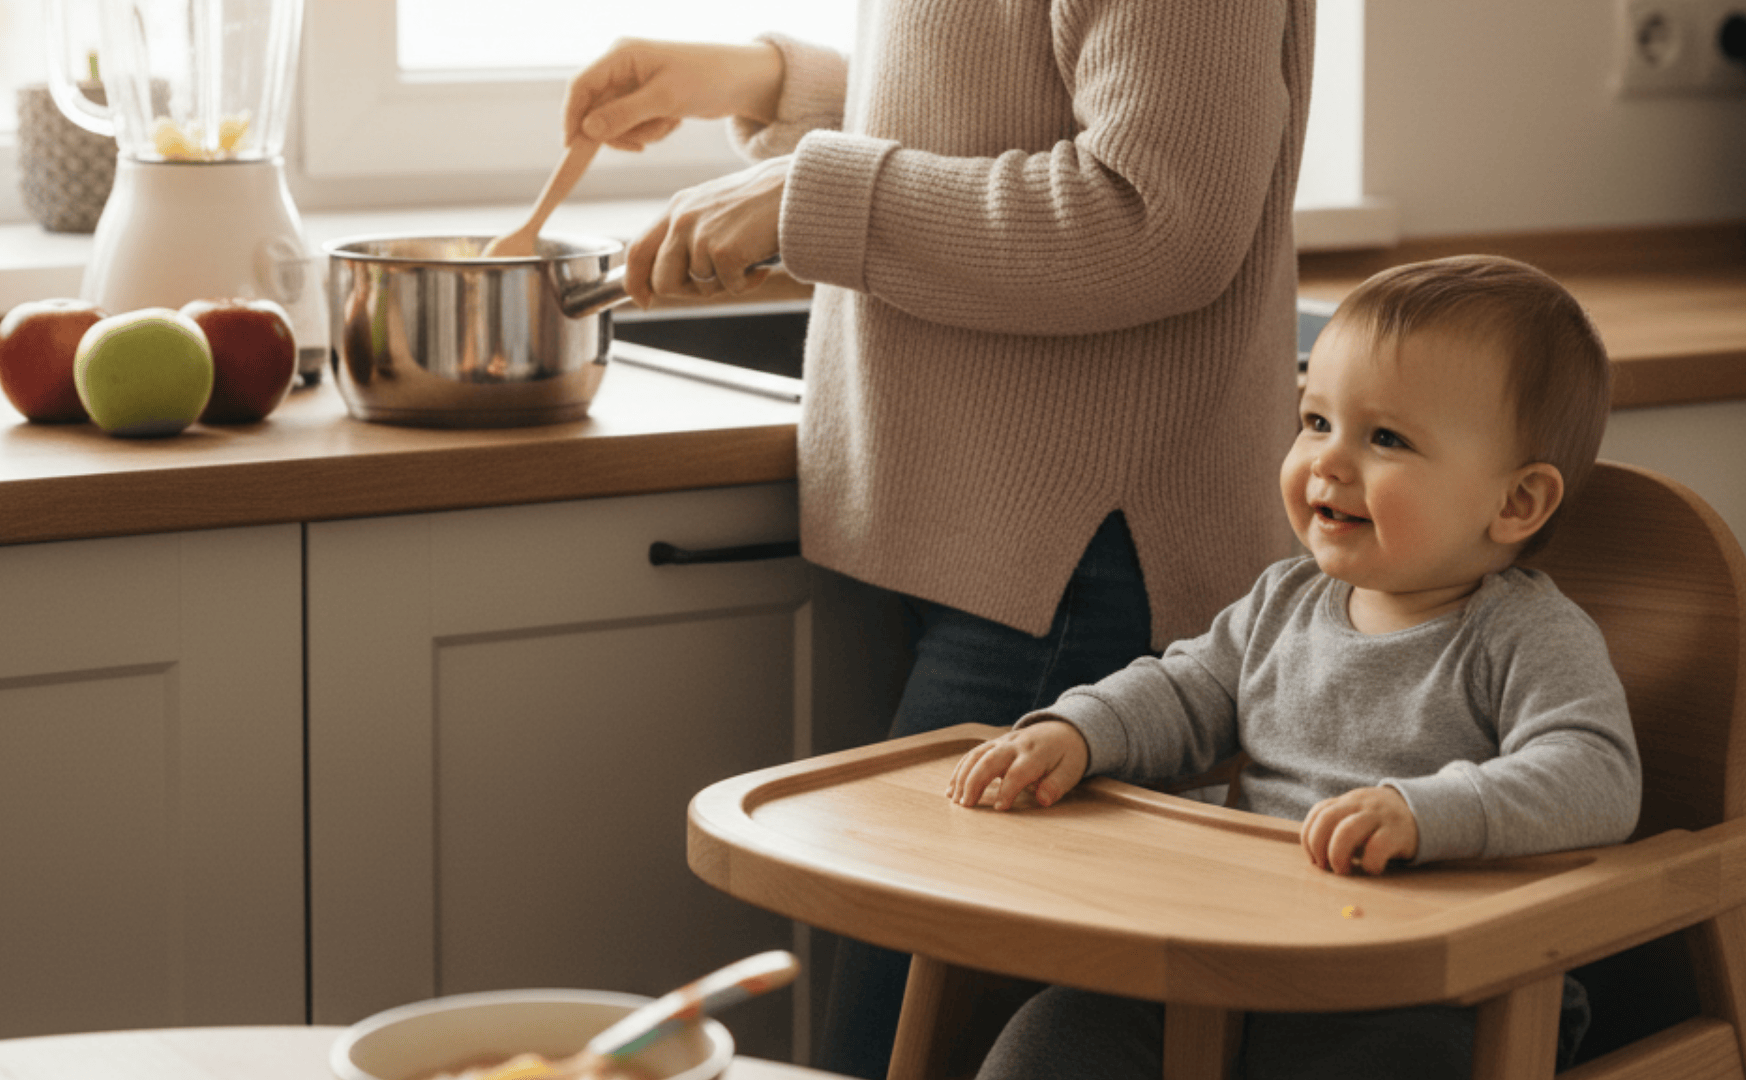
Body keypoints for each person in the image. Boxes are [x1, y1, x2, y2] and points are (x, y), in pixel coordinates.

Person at [563, 6, 1315, 1076]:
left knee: (890, 1052)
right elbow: (988, 97)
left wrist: (809, 191)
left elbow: (1156, 217)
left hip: (1065, 579)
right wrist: (771, 87)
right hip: (974, 558)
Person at [945, 254, 1642, 1079]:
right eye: (1316, 421)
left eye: (1385, 438)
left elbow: (1596, 773)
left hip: (1441, 994)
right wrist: (1083, 730)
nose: (1329, 462)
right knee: (1053, 1038)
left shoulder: (1523, 634)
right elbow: (1186, 686)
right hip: (1243, 951)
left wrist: (1426, 814)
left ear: (1516, 503)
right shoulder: (1286, 599)